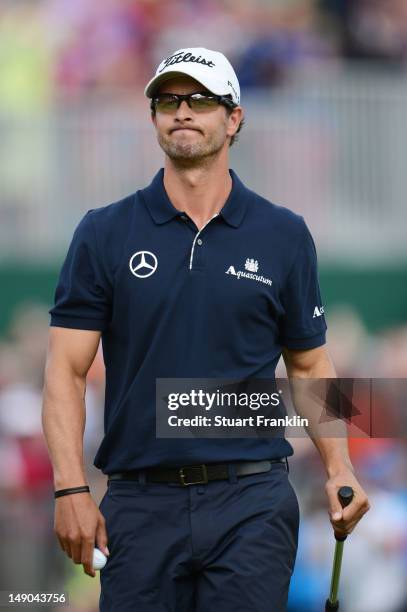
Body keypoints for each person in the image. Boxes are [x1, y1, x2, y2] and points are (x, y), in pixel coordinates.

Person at [42, 47, 370, 612]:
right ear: (153, 118)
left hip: (252, 499)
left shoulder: (284, 234)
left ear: (234, 118)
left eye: (200, 100)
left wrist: (342, 467)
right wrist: (71, 488)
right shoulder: (103, 232)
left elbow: (313, 365)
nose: (182, 111)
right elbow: (65, 372)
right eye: (167, 100)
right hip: (139, 502)